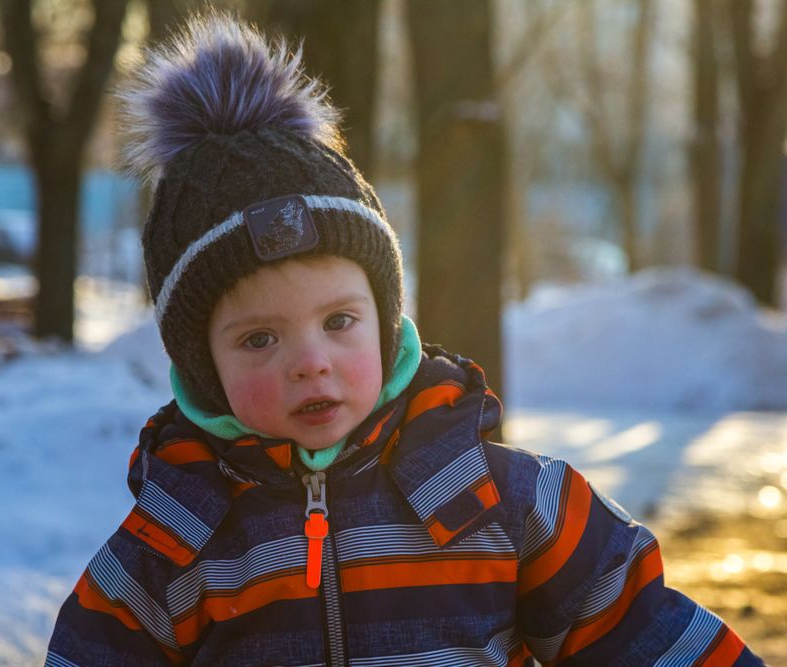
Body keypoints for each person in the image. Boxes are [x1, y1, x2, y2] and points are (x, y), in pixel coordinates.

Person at [45, 12, 763, 667]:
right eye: (260, 338)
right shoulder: (173, 544)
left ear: (386, 320)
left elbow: (638, 626)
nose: (311, 362)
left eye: (339, 322)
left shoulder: (495, 497)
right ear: (203, 367)